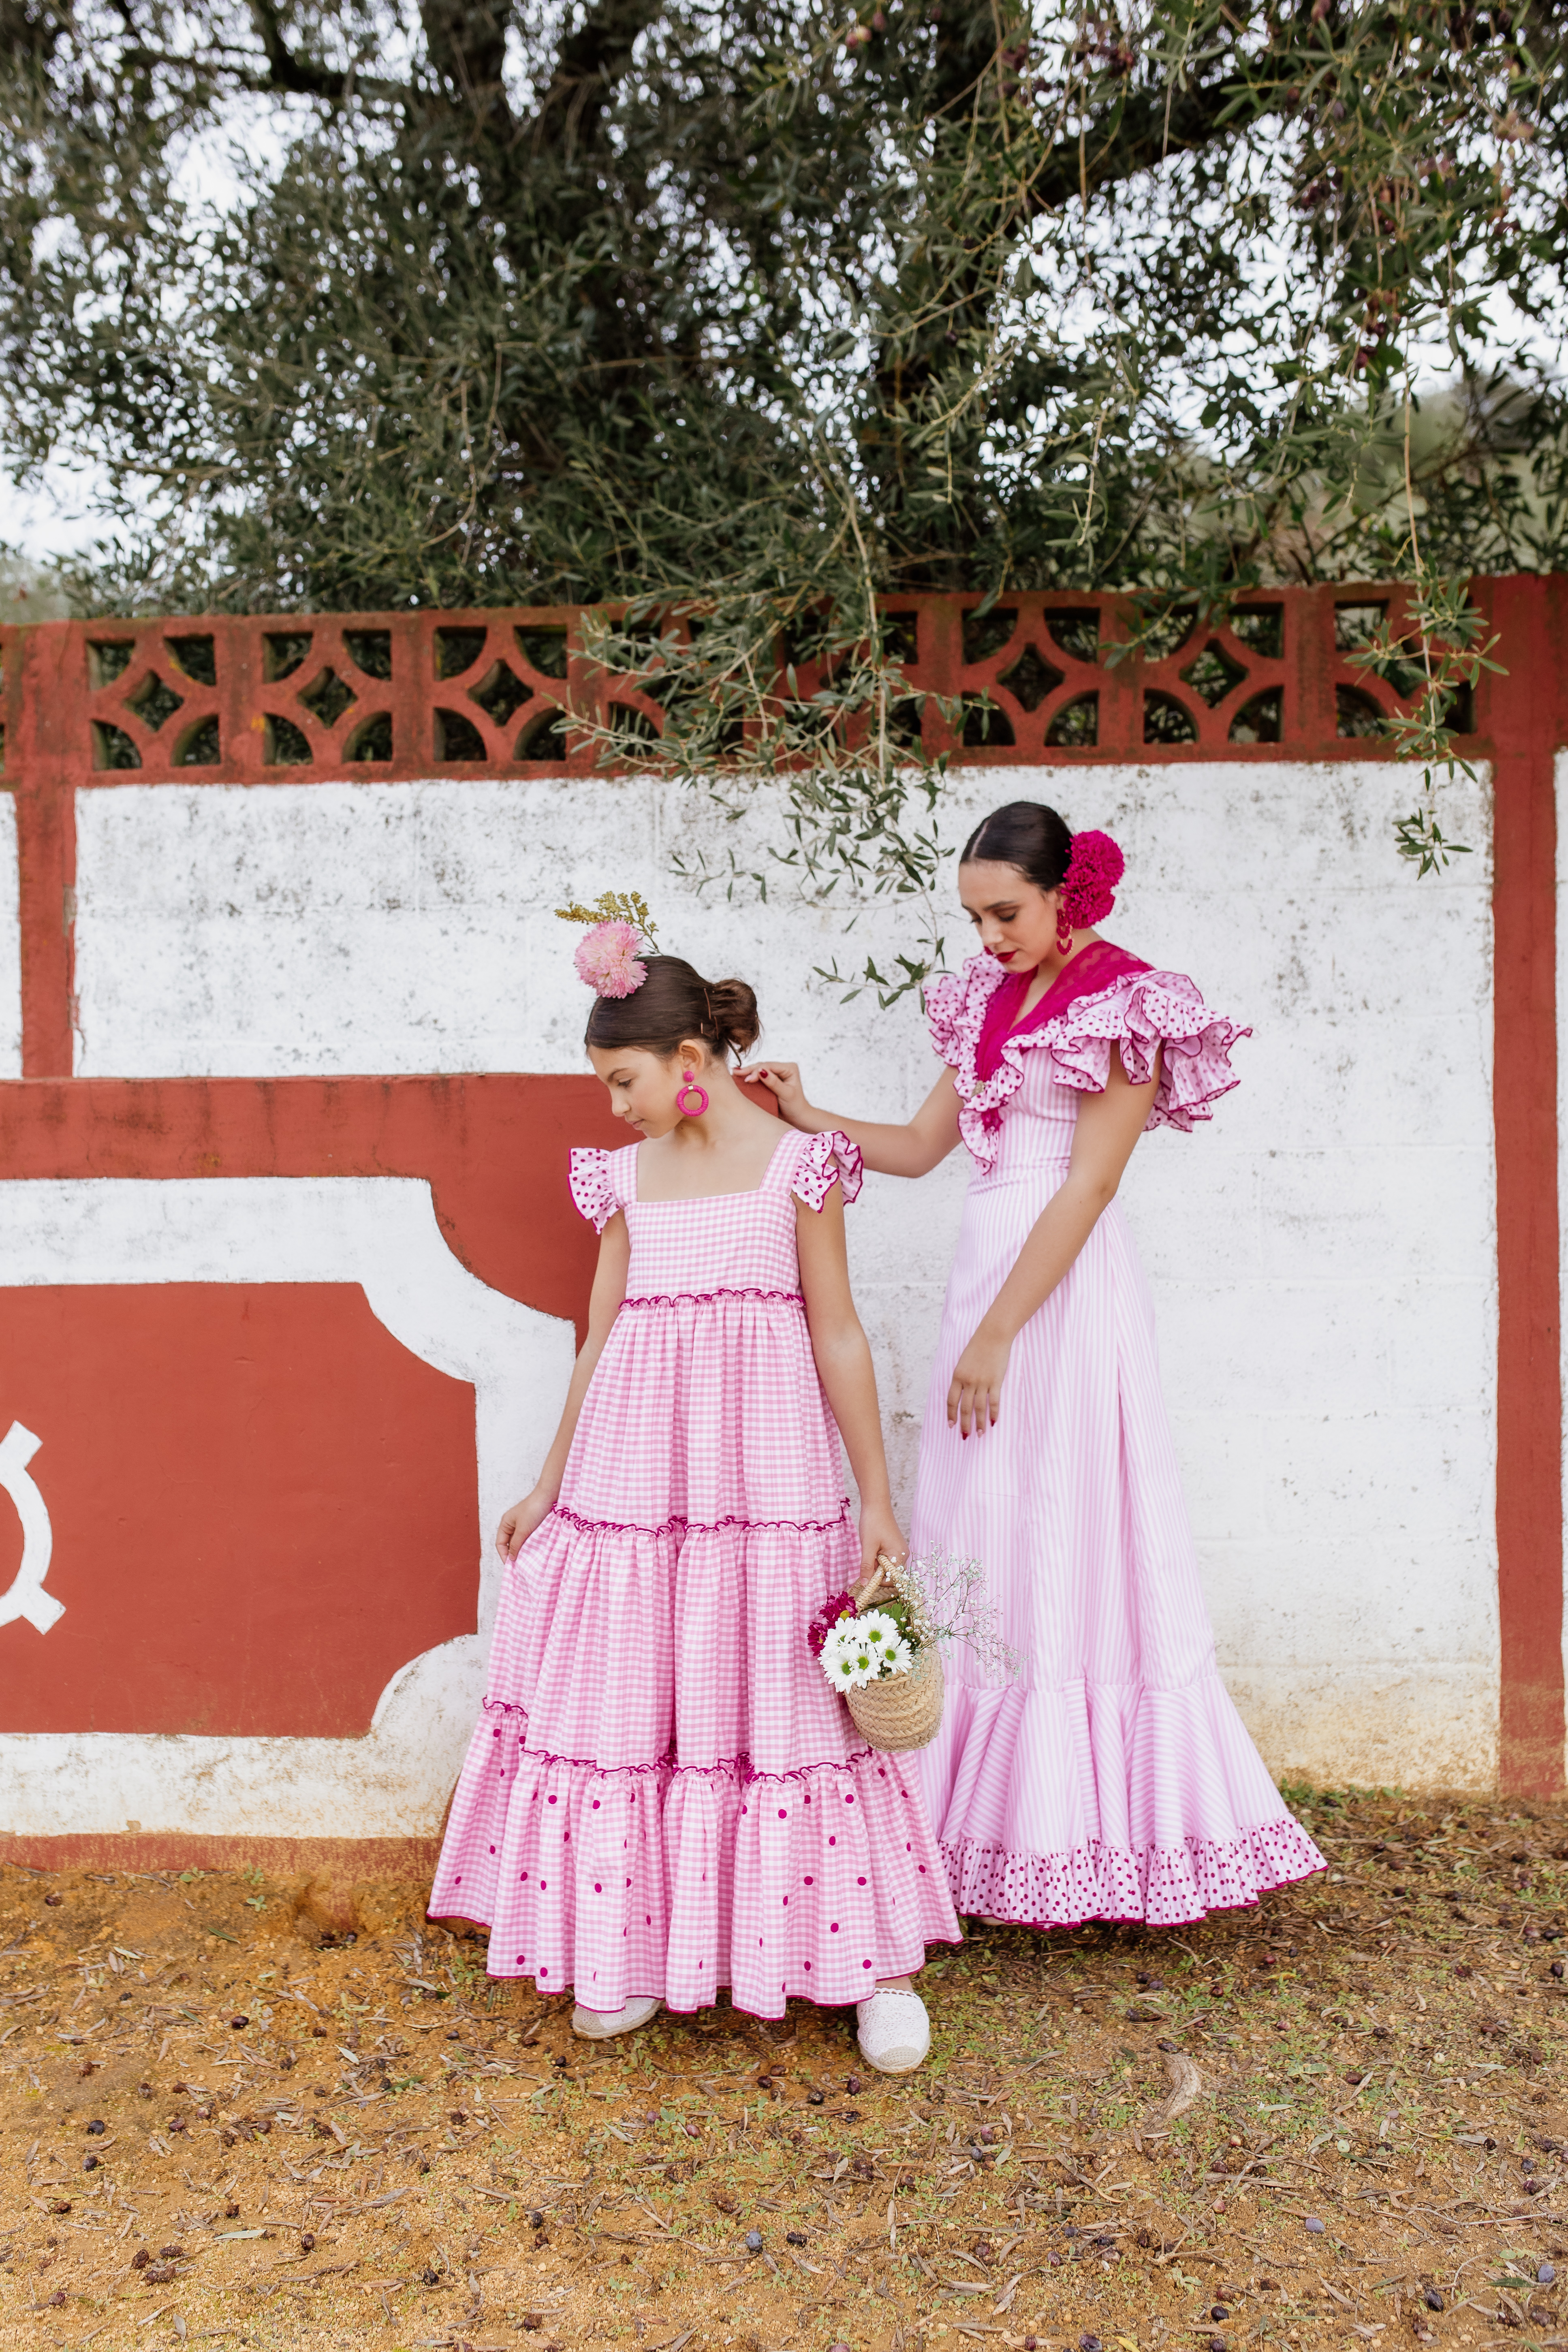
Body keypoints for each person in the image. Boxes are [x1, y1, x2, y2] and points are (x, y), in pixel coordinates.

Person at [746, 801, 1323, 1931]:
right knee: (981, 1531)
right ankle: (967, 1839)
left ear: (1070, 893)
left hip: (1061, 1299)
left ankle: (1089, 1837)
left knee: (1069, 1529)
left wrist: (1001, 1330)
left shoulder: (1127, 1003)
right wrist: (808, 1112)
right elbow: (918, 1153)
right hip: (987, 1283)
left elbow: (1091, 1184)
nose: (990, 937)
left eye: (1007, 912)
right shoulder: (987, 1002)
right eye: (974, 918)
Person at [428, 908, 958, 2066]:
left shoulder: (799, 1165)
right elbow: (600, 1331)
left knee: (791, 1703)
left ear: (690, 1062)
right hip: (634, 1482)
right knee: (647, 1704)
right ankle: (629, 1951)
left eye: (623, 1081)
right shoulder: (620, 1178)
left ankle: (871, 1962)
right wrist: (547, 1481)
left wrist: (876, 1498)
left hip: (772, 1484)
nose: (612, 1107)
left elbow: (842, 1335)